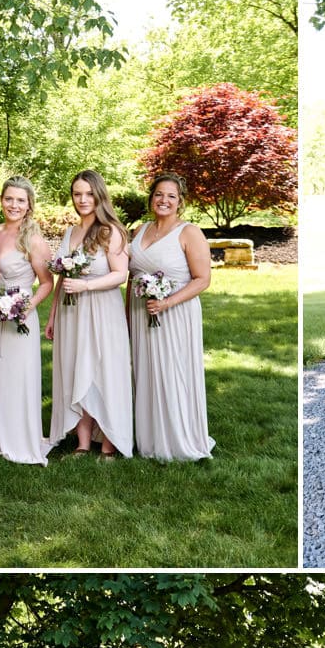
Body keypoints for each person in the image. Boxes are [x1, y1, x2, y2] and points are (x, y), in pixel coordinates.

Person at [47, 168, 133, 456]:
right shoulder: (70, 232)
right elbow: (62, 277)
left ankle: (109, 443)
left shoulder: (111, 231)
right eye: (77, 194)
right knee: (76, 371)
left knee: (104, 373)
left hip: (101, 310)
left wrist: (86, 286)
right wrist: (52, 315)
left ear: (99, 196)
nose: (82, 199)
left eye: (88, 194)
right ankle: (83, 443)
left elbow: (120, 275)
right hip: (70, 314)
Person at [128, 173, 215, 460]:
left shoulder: (189, 233)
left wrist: (167, 303)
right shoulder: (139, 230)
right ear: (151, 198)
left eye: (171, 196)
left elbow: (202, 279)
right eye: (159, 194)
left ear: (180, 202)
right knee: (145, 372)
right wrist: (126, 315)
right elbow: (131, 277)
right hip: (141, 313)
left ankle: (178, 439)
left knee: (172, 372)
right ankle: (149, 438)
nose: (164, 200)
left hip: (175, 314)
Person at [0, 177, 53, 466]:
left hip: (20, 316)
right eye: (9, 199)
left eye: (20, 200)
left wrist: (26, 307)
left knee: (16, 377)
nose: (14, 205)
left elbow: (47, 283)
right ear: (1, 200)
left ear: (29, 205)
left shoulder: (33, 239)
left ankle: (19, 438)